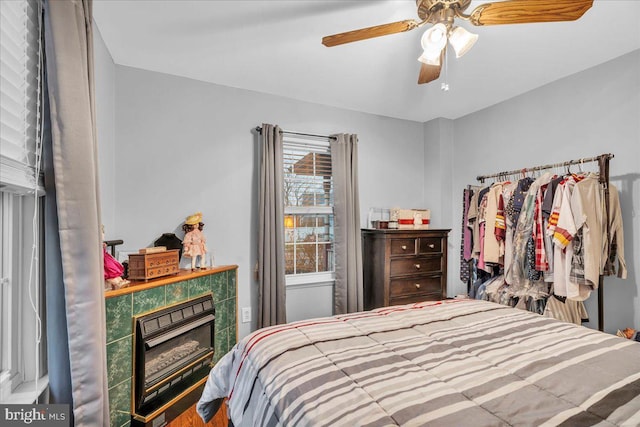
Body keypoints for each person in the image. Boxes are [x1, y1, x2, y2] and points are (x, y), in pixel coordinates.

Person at [102, 225, 130, 290]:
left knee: (112, 267)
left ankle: (120, 281)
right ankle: (117, 283)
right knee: (108, 269)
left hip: (105, 257)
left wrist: (103, 247)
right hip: (102, 259)